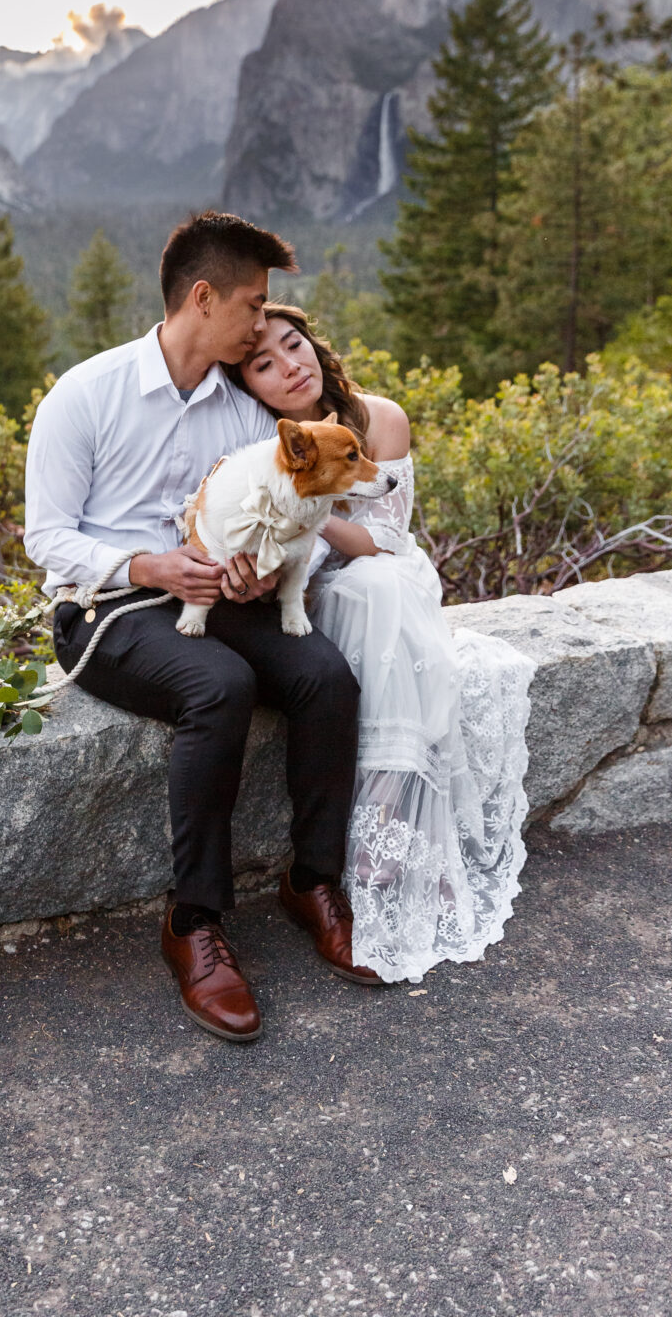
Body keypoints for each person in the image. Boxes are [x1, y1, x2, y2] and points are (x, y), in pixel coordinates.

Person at [24, 214, 373, 1044]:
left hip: (222, 595)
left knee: (324, 678)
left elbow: (290, 521)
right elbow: (47, 537)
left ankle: (312, 881)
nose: (263, 325)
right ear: (202, 297)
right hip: (106, 607)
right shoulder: (85, 393)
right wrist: (148, 564)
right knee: (219, 685)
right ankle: (195, 925)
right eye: (253, 306)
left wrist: (258, 571)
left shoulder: (247, 418)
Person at [232, 304, 535, 985]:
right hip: (302, 592)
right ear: (250, 386)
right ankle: (381, 852)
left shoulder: (378, 418)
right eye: (264, 364)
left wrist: (308, 498)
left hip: (378, 575)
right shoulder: (253, 442)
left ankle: (402, 852)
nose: (290, 365)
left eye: (293, 344)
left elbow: (381, 539)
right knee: (372, 598)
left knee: (378, 589)